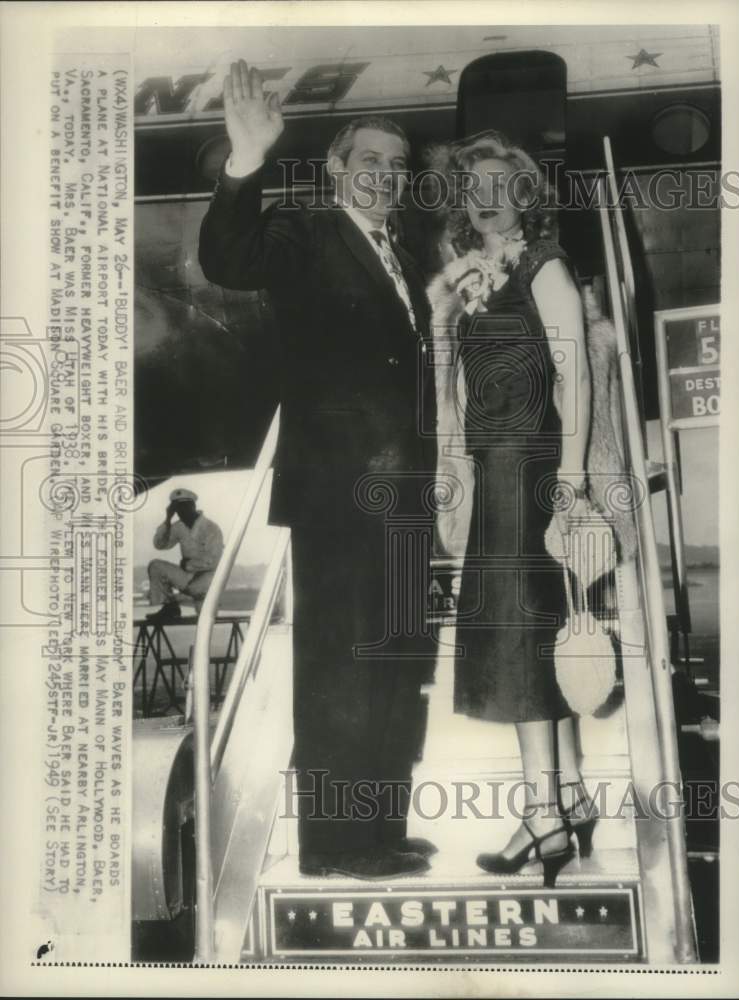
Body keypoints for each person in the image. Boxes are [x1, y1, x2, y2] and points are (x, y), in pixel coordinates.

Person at [198, 61, 437, 880]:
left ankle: (379, 829)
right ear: (336, 167)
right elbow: (228, 257)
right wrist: (245, 160)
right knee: (341, 666)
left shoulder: (400, 251)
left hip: (402, 493)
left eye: (397, 167)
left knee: (396, 659)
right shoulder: (304, 233)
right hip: (338, 493)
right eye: (367, 160)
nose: (383, 175)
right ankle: (333, 845)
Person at [427, 131, 599, 887]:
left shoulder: (544, 264)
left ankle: (542, 816)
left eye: (499, 184)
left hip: (533, 466)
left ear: (525, 193)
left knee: (525, 637)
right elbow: (456, 387)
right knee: (537, 632)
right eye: (472, 189)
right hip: (494, 470)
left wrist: (569, 476)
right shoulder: (470, 277)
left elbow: (577, 375)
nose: (484, 199)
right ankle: (567, 799)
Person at [147, 488, 224, 622]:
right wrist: (167, 519)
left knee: (207, 623)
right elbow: (160, 544)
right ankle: (170, 607)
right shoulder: (179, 527)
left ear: (193, 505)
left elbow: (214, 561)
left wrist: (188, 564)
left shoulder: (211, 527)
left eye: (185, 507)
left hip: (207, 582)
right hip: (187, 578)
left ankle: (203, 606)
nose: (182, 512)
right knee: (155, 566)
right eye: (178, 509)